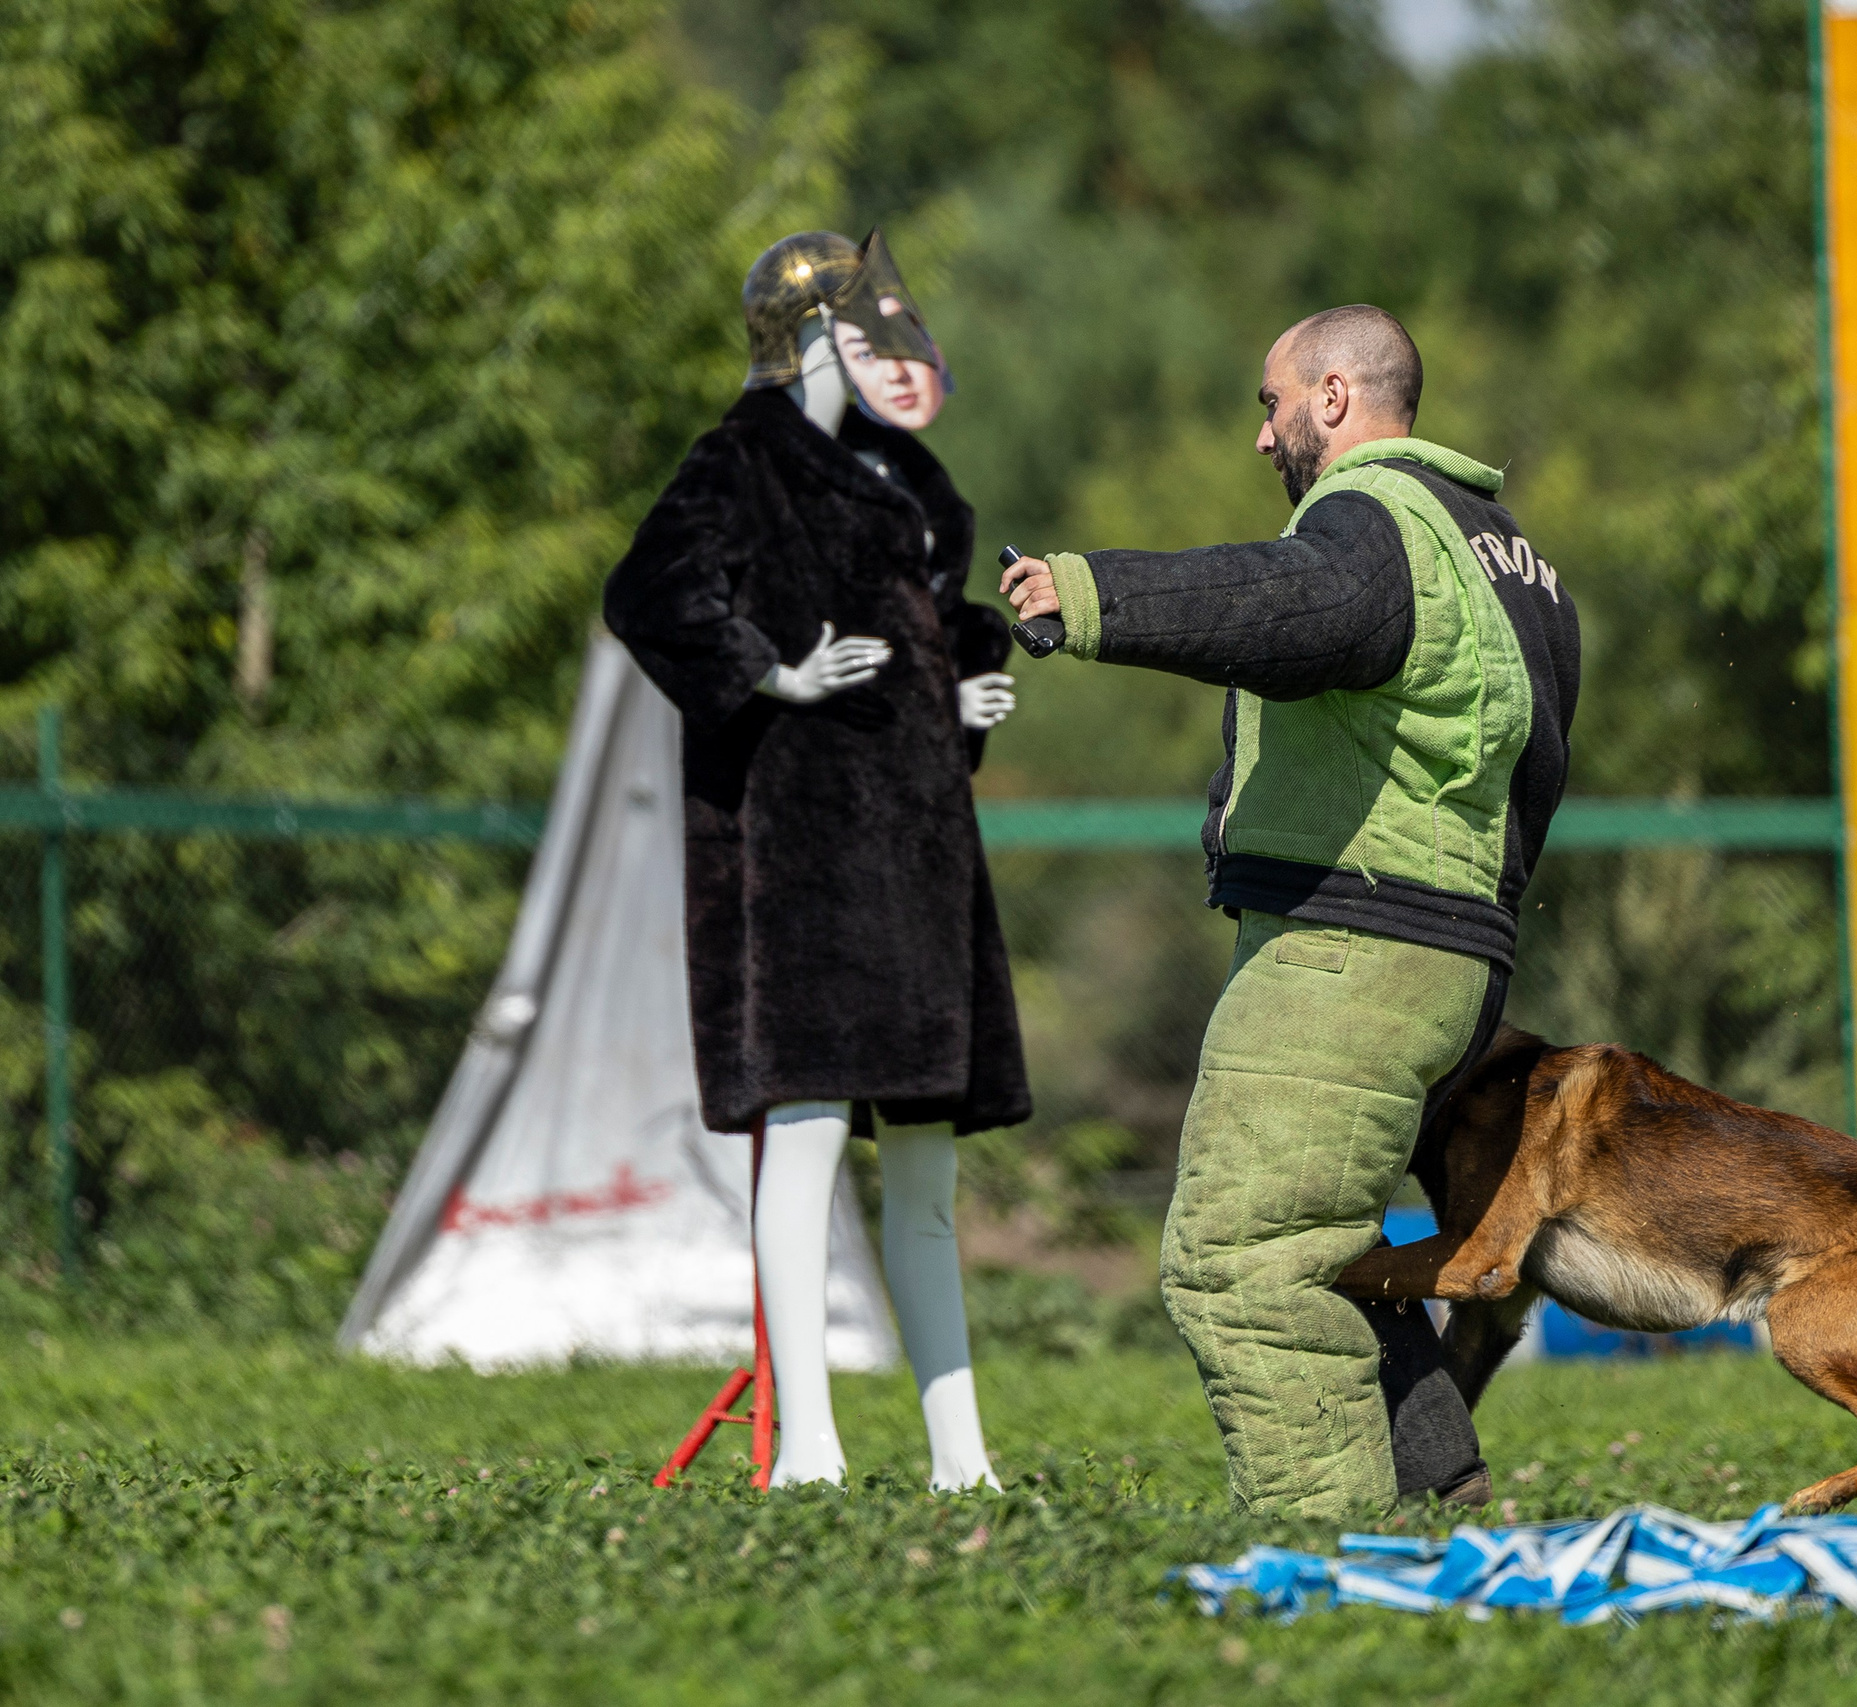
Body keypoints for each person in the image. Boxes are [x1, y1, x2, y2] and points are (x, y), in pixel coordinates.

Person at [1000, 305, 1580, 1518]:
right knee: (1326, 1260)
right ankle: (1440, 1506)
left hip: (1358, 945)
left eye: (1269, 406)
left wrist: (1091, 595)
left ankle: (1332, 1568)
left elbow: (1288, 605)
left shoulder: (1375, 525)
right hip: (1451, 951)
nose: (1261, 439)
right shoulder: (1505, 551)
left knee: (1243, 1266)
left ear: (1332, 396)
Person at [604, 229, 1029, 1491]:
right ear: (810, 338)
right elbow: (649, 593)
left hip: (917, 852)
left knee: (924, 1165)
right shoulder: (738, 463)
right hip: (798, 858)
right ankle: (809, 1449)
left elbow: (934, 633)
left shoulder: (911, 478)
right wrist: (770, 678)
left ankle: (962, 1457)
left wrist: (962, 697)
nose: (889, 346)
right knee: (802, 1136)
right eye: (862, 322)